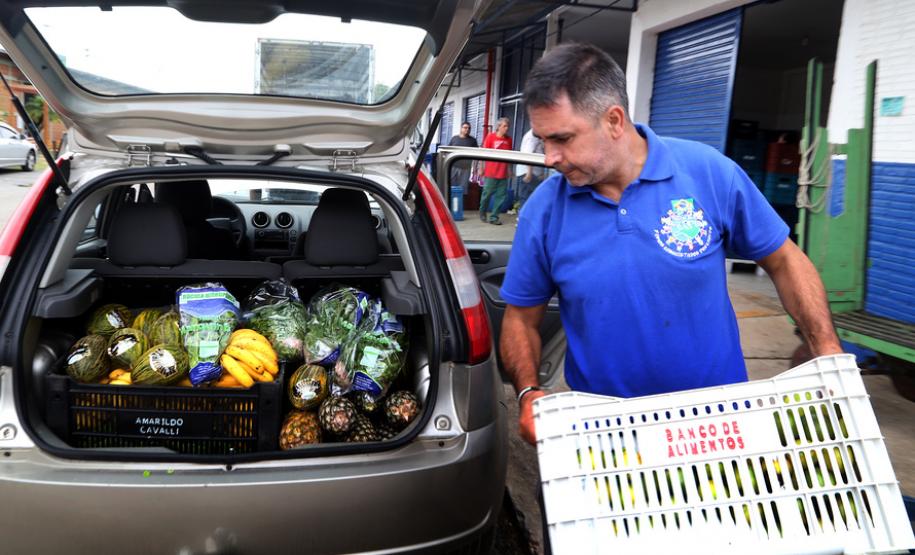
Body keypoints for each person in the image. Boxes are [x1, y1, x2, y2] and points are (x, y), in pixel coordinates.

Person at [500, 43, 842, 446]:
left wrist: (826, 348)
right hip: (604, 432)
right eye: (543, 141)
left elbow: (785, 260)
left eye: (562, 139)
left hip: (718, 425)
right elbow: (520, 319)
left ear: (613, 120)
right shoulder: (544, 209)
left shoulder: (708, 172)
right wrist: (528, 392)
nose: (550, 158)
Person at [479, 117, 513, 225]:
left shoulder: (509, 140)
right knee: (487, 194)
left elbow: (510, 156)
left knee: (501, 196)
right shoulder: (490, 137)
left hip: (503, 173)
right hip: (490, 172)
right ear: (499, 127)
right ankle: (482, 212)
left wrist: (509, 170)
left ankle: (494, 217)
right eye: (504, 126)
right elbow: (483, 154)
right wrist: (481, 168)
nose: (506, 128)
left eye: (508, 126)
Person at [513, 128, 545, 213]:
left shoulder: (538, 136)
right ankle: (523, 219)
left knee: (532, 197)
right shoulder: (532, 137)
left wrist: (541, 172)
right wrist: (529, 173)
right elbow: (528, 155)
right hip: (529, 173)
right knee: (528, 197)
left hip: (534, 173)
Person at [448, 121, 478, 192]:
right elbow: (448, 152)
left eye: (469, 128)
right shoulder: (454, 139)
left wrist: (475, 168)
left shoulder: (473, 141)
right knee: (451, 188)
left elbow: (476, 155)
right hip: (453, 167)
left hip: (465, 169)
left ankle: (460, 202)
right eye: (465, 128)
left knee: (463, 189)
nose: (467, 129)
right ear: (461, 128)